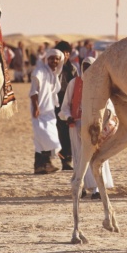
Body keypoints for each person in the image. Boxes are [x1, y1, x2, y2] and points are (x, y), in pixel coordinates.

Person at [59, 57, 114, 199]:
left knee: (96, 156)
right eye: (86, 66)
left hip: (95, 128)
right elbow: (65, 106)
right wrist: (68, 116)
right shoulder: (74, 83)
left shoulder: (101, 83)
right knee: (79, 157)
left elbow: (108, 106)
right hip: (76, 126)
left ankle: (96, 189)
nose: (88, 70)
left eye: (91, 66)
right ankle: (81, 186)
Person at [29, 48, 65, 174]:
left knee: (42, 138)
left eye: (56, 59)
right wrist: (36, 107)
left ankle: (40, 166)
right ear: (46, 59)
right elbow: (33, 92)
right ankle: (45, 163)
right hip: (39, 110)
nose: (54, 61)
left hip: (49, 111)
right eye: (51, 58)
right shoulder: (39, 71)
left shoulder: (53, 74)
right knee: (47, 136)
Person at [53, 40, 78, 170]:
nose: (66, 55)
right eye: (63, 52)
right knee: (57, 132)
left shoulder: (72, 69)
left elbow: (77, 86)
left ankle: (67, 160)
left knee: (68, 131)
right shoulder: (52, 68)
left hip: (68, 102)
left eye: (68, 52)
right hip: (54, 101)